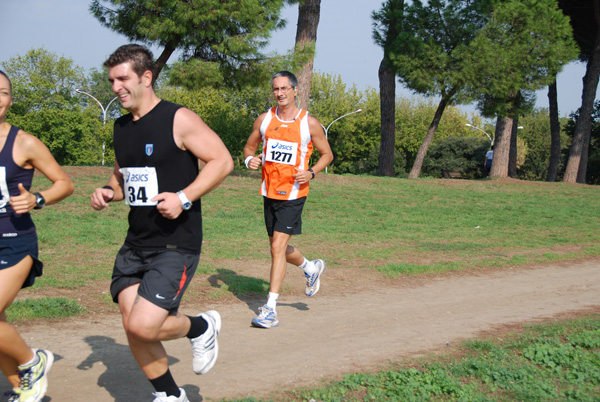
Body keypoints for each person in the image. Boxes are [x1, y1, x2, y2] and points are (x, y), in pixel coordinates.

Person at [90, 45, 233, 402]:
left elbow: (222, 160)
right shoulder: (121, 127)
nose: (116, 87)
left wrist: (184, 197)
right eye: (112, 80)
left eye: (123, 78)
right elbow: (123, 176)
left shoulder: (178, 118)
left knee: (143, 324)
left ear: (146, 77)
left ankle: (201, 326)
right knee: (132, 326)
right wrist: (109, 192)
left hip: (175, 243)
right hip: (135, 242)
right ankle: (170, 395)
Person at [0, 70, 74, 402]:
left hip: (14, 241)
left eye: (2, 92)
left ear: (10, 100)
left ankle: (34, 361)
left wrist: (37, 199)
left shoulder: (24, 142)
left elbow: (65, 183)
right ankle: (23, 388)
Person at [243, 70, 333, 329]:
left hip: (294, 193)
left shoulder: (309, 123)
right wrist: (250, 160)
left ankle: (269, 309)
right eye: (275, 89)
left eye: (284, 88)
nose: (280, 93)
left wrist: (311, 172)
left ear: (295, 90)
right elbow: (249, 148)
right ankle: (310, 267)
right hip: (269, 191)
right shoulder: (264, 119)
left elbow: (327, 154)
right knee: (278, 247)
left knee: (276, 249)